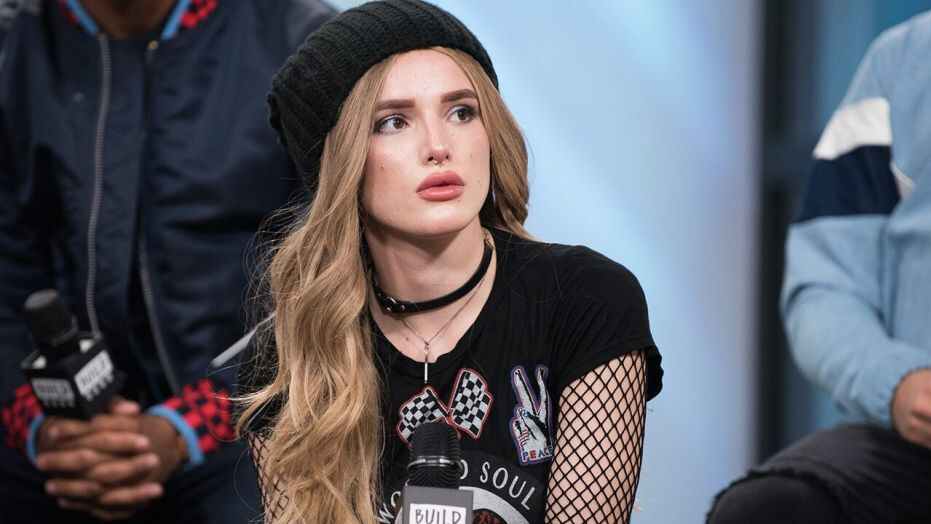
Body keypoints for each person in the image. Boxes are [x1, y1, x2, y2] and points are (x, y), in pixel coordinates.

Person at [234, 1, 665, 523]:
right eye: (393, 122)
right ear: (339, 163)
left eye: (461, 112)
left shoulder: (585, 299)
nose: (439, 147)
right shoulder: (295, 351)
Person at [0, 0, 334, 522]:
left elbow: (342, 283)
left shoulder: (308, 48)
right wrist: (46, 428)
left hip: (250, 413)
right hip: (52, 424)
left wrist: (186, 427)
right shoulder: (13, 48)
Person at [708, 11, 931, 524]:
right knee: (765, 511)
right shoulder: (900, 61)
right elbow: (825, 289)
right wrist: (899, 384)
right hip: (915, 442)